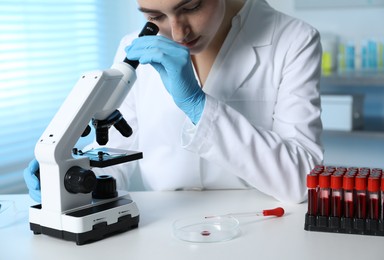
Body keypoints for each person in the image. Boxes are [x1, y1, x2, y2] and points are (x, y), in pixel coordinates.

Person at [24, 0, 323, 204]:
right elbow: (114, 155)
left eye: (191, 6)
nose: (179, 33)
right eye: (154, 16)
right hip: (167, 227)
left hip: (265, 224)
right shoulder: (133, 49)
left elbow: (302, 180)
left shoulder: (294, 40)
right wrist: (67, 174)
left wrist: (198, 106)